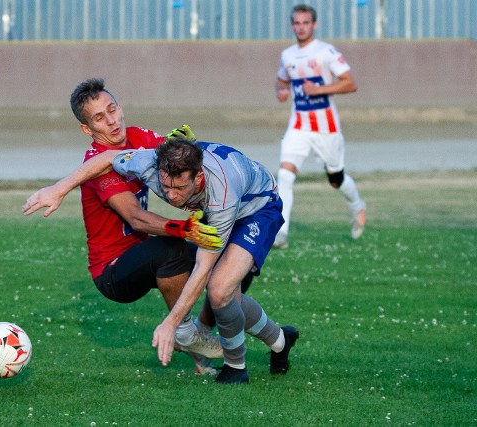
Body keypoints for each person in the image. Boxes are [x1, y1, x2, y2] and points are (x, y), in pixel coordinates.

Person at [24, 135, 300, 384]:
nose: (170, 195)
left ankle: (236, 369)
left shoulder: (221, 192)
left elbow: (203, 266)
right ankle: (280, 340)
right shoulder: (150, 162)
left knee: (219, 289)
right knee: (229, 297)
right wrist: (60, 188)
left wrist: (172, 323)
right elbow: (107, 158)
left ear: (198, 177)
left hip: (257, 208)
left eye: (179, 188)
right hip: (221, 206)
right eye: (165, 186)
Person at [23, 78, 223, 372]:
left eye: (112, 110)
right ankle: (185, 332)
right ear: (87, 130)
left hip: (144, 254)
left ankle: (197, 344)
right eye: (99, 119)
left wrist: (186, 146)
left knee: (225, 257)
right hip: (113, 272)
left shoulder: (138, 136)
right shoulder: (95, 166)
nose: (112, 121)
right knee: (172, 249)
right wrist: (183, 228)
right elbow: (135, 218)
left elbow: (178, 161)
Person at [273, 4, 366, 249]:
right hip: (298, 125)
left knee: (335, 178)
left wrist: (320, 89)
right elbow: (281, 80)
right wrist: (281, 91)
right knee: (284, 174)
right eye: (296, 23)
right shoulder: (288, 55)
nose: (300, 27)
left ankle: (357, 206)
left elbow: (350, 84)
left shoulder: (326, 52)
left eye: (305, 23)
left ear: (314, 25)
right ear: (292, 25)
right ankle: (281, 233)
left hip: (326, 127)